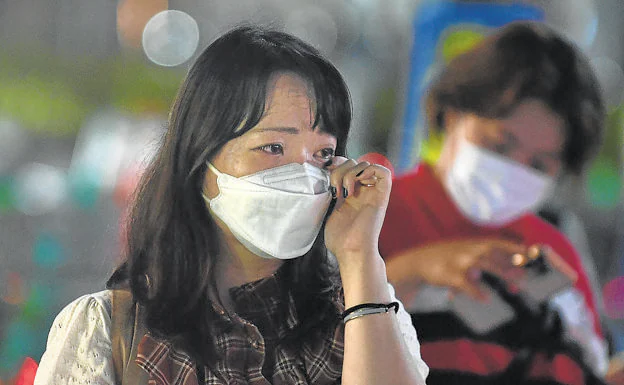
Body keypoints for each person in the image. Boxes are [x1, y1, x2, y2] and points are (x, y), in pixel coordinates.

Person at [33, 26, 428, 384]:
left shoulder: (367, 315)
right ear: (201, 156)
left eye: (323, 153)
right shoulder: (108, 330)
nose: (305, 175)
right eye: (273, 147)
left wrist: (360, 256)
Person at [379, 21, 608, 384]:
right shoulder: (369, 217)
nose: (513, 171)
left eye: (539, 164)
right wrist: (409, 272)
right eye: (500, 146)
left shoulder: (554, 256)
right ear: (453, 114)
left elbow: (584, 368)